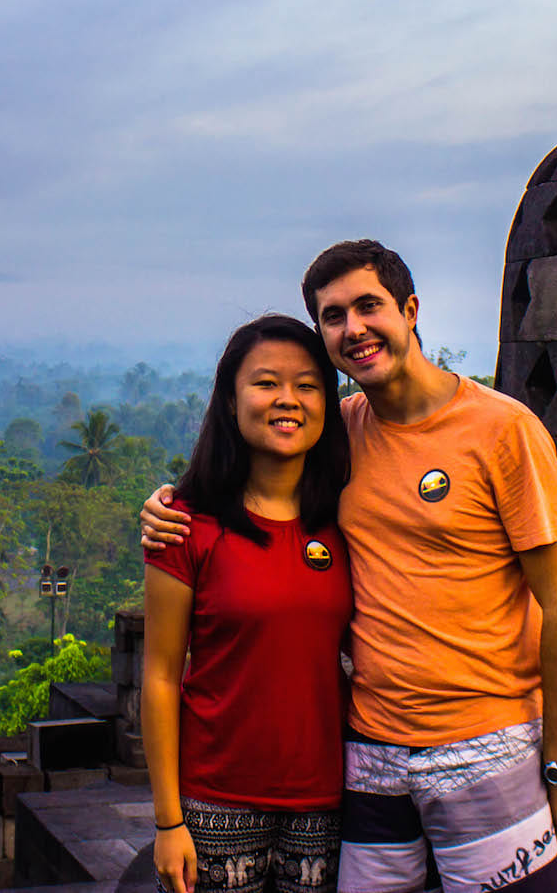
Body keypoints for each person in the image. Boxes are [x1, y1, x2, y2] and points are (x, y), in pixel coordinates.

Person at [144, 240, 557, 893]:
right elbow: (248, 488)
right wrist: (163, 506)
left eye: (367, 307)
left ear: (409, 310)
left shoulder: (502, 431)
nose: (353, 328)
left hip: (482, 745)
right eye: (332, 316)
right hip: (370, 756)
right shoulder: (339, 433)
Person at [143, 314, 354, 893]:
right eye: (265, 383)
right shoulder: (186, 526)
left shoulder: (348, 520)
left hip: (324, 801)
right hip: (215, 802)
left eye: (307, 385)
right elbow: (161, 677)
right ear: (231, 402)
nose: (287, 400)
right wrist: (168, 820)